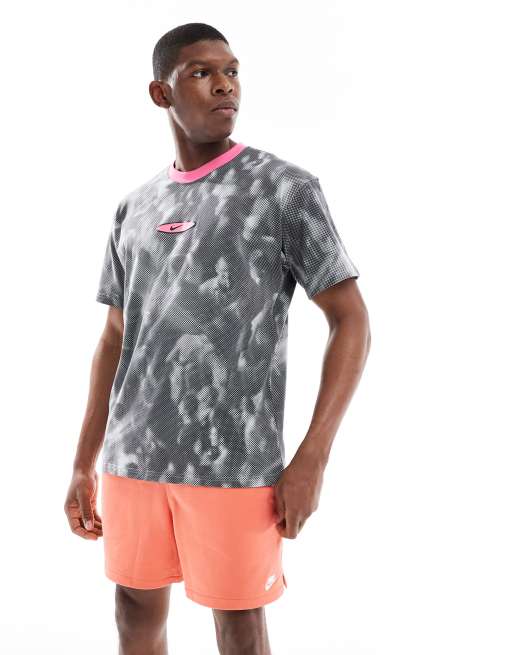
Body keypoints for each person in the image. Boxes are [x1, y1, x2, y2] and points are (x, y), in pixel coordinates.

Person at [63, 22, 371, 655]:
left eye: (231, 71)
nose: (225, 85)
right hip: (133, 458)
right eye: (201, 73)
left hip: (236, 463)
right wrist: (82, 462)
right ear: (161, 93)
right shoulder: (135, 208)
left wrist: (312, 457)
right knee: (134, 613)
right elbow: (116, 336)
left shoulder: (283, 189)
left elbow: (351, 320)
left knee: (239, 626)